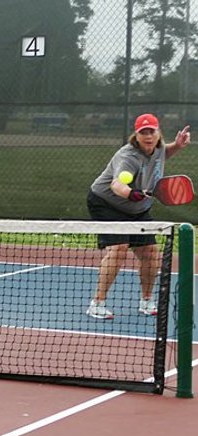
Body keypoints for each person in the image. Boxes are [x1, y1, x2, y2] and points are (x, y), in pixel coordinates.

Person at [86, 113, 190, 319]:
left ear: (158, 132)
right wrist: (131, 193)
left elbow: (162, 154)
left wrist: (177, 145)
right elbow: (116, 184)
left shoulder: (158, 148)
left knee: (151, 253)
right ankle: (96, 303)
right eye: (144, 132)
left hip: (138, 208)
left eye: (151, 131)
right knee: (119, 249)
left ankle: (146, 301)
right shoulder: (128, 156)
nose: (148, 136)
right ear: (137, 135)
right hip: (107, 203)